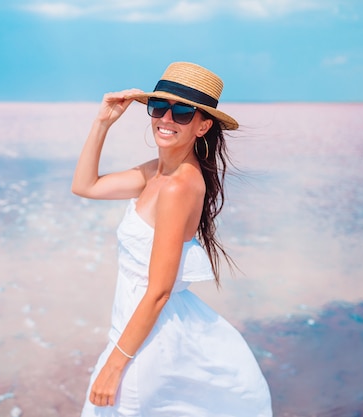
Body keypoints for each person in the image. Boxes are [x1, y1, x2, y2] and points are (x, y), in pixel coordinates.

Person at [71, 62, 272, 416]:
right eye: (159, 107)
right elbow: (85, 186)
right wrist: (102, 122)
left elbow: (160, 290)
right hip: (133, 329)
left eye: (182, 112)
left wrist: (116, 364)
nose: (166, 118)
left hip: (148, 342)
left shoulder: (180, 185)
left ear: (203, 125)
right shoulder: (155, 172)